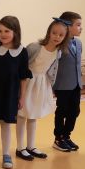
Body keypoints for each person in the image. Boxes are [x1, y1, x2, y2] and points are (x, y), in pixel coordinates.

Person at [15, 18, 70, 161]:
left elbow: (51, 70)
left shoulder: (58, 51)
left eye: (61, 35)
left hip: (41, 84)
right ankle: (20, 147)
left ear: (65, 37)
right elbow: (21, 65)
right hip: (28, 82)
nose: (57, 37)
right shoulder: (35, 47)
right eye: (54, 33)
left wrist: (50, 86)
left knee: (33, 114)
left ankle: (31, 146)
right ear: (49, 32)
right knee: (22, 114)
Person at [0, 16, 31, 169]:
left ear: (15, 32)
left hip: (10, 95)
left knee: (6, 125)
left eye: (7, 31)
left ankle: (6, 154)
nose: (2, 34)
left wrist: (22, 97)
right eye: (0, 31)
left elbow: (23, 77)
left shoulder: (22, 52)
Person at [53, 11, 84, 152]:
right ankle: (58, 138)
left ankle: (66, 136)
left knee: (74, 111)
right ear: (68, 26)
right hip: (63, 85)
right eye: (78, 25)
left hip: (76, 84)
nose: (81, 28)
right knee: (62, 111)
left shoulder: (78, 43)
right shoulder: (59, 44)